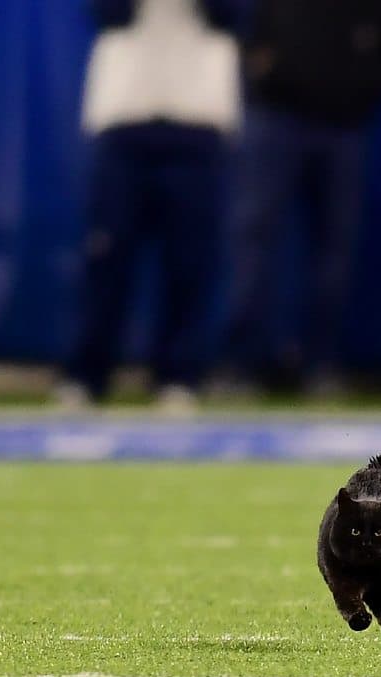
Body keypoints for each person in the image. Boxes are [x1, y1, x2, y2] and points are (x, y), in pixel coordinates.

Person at [225, 0, 381, 395]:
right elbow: (232, 19)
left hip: (344, 123)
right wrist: (259, 67)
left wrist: (364, 81)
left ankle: (317, 364)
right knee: (256, 241)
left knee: (334, 250)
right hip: (276, 114)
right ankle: (241, 365)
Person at [56, 0, 241, 413]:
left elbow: (232, 14)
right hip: (125, 117)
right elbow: (110, 13)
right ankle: (87, 375)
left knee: (190, 260)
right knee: (107, 254)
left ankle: (179, 376)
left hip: (198, 122)